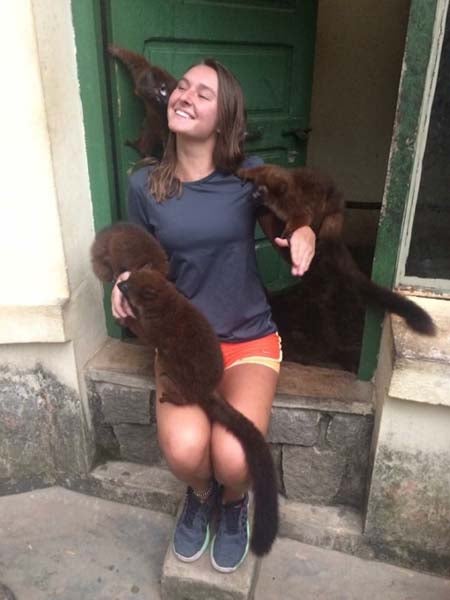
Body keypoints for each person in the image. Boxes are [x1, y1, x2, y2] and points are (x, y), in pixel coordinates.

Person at [111, 58, 316, 573]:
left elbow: (291, 217)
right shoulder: (145, 185)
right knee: (185, 451)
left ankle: (233, 502)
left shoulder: (249, 178)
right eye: (183, 87)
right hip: (183, 343)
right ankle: (202, 496)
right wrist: (122, 280)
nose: (185, 95)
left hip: (249, 339)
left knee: (235, 457)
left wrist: (304, 230)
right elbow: (140, 259)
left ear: (225, 119)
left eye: (204, 94)